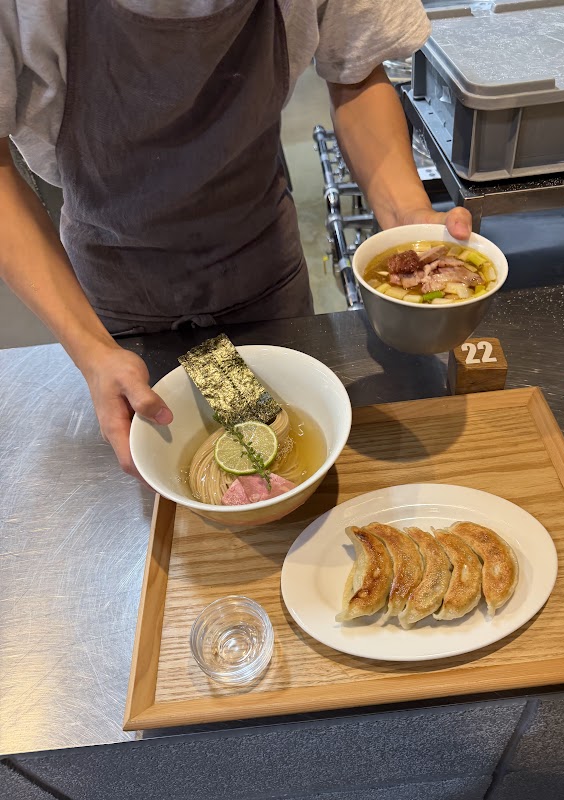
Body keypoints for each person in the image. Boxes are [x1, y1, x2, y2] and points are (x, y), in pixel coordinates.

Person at [0, 1, 473, 478]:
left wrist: (407, 218)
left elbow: (357, 68)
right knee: (178, 471)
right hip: (119, 295)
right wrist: (93, 352)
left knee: (287, 458)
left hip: (262, 271)